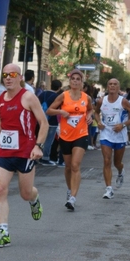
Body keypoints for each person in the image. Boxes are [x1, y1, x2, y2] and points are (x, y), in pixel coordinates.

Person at [0, 63, 48, 248]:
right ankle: (3, 232)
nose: (8, 78)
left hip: (26, 152)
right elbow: (0, 122)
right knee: (1, 188)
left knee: (25, 193)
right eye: (5, 75)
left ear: (20, 77)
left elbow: (43, 123)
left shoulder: (28, 97)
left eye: (12, 74)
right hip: (4, 151)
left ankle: (34, 199)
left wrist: (38, 146)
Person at [46, 69, 93, 211]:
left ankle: (73, 198)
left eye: (78, 79)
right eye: (73, 79)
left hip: (81, 134)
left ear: (81, 82)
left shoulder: (86, 98)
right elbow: (49, 110)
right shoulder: (63, 96)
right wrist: (60, 111)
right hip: (65, 135)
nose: (75, 81)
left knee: (75, 165)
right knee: (67, 167)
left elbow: (90, 109)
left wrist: (89, 115)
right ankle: (69, 188)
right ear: (70, 81)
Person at [94, 78, 130, 199]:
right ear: (107, 87)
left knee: (117, 162)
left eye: (115, 84)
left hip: (120, 135)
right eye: (110, 84)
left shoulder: (123, 101)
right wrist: (98, 122)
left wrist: (123, 125)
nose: (112, 86)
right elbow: (96, 113)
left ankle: (120, 171)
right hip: (106, 133)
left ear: (118, 87)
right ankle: (109, 189)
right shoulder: (101, 101)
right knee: (107, 160)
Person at [38, 79, 61, 166]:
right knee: (49, 140)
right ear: (59, 88)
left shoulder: (43, 94)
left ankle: (39, 156)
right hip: (52, 120)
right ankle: (45, 158)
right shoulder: (57, 96)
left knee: (41, 139)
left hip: (41, 120)